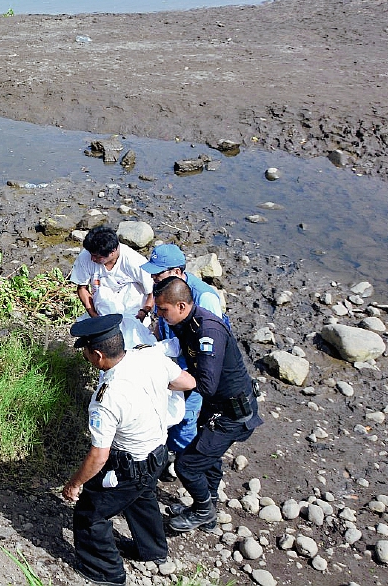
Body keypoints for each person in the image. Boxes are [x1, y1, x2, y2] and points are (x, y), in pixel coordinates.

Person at [62, 314, 195, 586]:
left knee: (91, 513)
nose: (86, 358)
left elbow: (99, 456)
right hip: (159, 452)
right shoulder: (150, 356)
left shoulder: (106, 397)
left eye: (86, 353)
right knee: (143, 499)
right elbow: (187, 382)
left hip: (130, 464)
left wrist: (75, 484)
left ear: (98, 355)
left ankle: (105, 572)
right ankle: (153, 551)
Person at [153, 276, 262, 534]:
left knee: (186, 465)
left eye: (163, 309)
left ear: (181, 306)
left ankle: (202, 510)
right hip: (215, 408)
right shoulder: (185, 324)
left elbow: (206, 385)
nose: (160, 314)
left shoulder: (208, 330)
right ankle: (208, 512)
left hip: (232, 413)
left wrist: (165, 383)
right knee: (208, 459)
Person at [142, 243, 227, 454]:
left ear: (177, 272)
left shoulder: (204, 298)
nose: (153, 279)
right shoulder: (162, 288)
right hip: (173, 358)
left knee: (185, 416)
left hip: (195, 366)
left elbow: (209, 345)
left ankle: (185, 459)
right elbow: (161, 323)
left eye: (157, 274)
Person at [69, 226, 156, 349]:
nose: (93, 259)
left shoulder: (134, 261)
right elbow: (82, 288)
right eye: (91, 255)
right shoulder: (86, 256)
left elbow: (152, 292)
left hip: (132, 308)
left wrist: (143, 313)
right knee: (103, 294)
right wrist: (94, 315)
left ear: (113, 252)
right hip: (102, 306)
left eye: (97, 257)